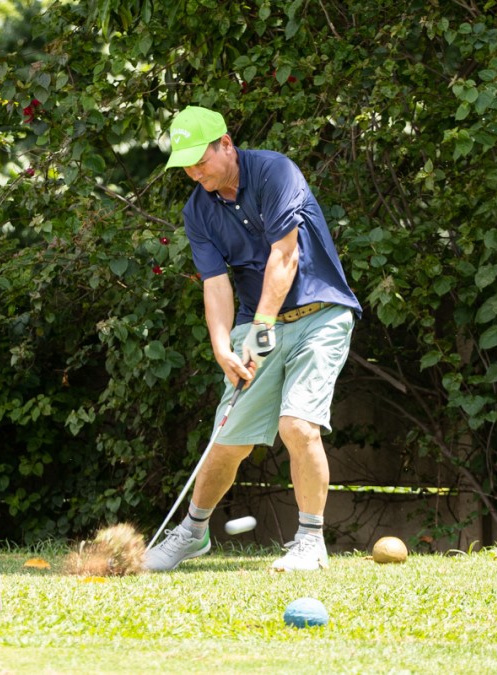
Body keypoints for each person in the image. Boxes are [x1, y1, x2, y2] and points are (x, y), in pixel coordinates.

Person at [143, 106, 362, 572]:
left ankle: (309, 541)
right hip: (259, 323)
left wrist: (262, 324)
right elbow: (215, 283)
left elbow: (285, 256)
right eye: (185, 165)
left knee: (297, 425)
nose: (194, 172)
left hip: (319, 314)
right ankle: (192, 533)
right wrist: (222, 344)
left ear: (226, 144)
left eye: (200, 161)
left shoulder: (275, 171)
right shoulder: (197, 211)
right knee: (228, 439)